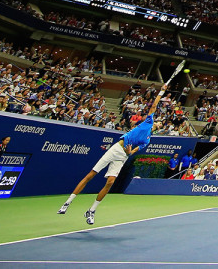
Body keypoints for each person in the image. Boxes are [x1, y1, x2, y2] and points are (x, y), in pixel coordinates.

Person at [58, 85, 167, 224]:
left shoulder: (147, 140)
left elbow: (132, 152)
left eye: (160, 124)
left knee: (110, 182)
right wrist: (162, 90)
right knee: (90, 175)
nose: (159, 123)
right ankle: (67, 203)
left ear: (159, 128)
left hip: (122, 156)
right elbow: (155, 105)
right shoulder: (148, 121)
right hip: (115, 149)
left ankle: (91, 211)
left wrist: (129, 152)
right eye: (158, 121)